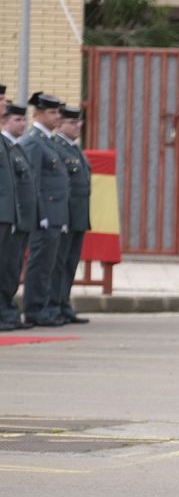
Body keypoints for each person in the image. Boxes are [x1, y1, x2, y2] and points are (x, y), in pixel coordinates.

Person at [20, 93, 69, 328]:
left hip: (55, 214)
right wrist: (42, 216)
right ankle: (34, 309)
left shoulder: (47, 141)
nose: (57, 116)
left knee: (49, 265)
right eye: (52, 112)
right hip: (45, 216)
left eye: (57, 112)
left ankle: (44, 307)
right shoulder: (33, 141)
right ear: (38, 114)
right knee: (39, 265)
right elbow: (34, 182)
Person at [51, 105, 92, 326]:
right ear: (60, 124)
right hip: (64, 215)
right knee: (58, 263)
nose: (78, 127)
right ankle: (55, 304)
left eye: (79, 123)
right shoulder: (57, 147)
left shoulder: (75, 149)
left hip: (78, 215)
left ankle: (63, 303)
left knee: (70, 263)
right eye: (72, 123)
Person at [0, 101, 36, 333]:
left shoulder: (12, 146)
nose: (22, 123)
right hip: (6, 214)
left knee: (10, 267)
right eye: (17, 119)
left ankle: (7, 311)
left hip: (12, 215)